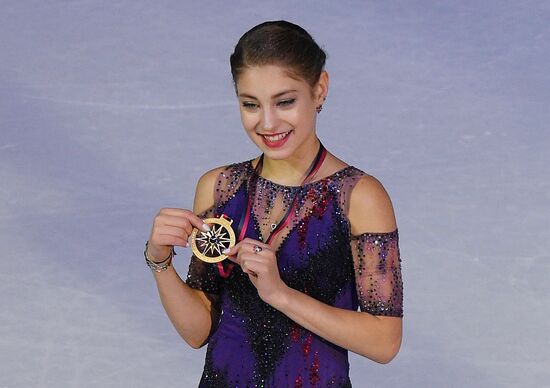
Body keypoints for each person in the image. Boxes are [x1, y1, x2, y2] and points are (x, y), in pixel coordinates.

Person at [144, 20, 403, 387]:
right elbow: (198, 331)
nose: (267, 122)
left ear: (319, 90)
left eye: (285, 102)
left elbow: (385, 341)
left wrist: (280, 294)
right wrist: (160, 261)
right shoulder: (219, 188)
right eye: (251, 104)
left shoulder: (358, 197)